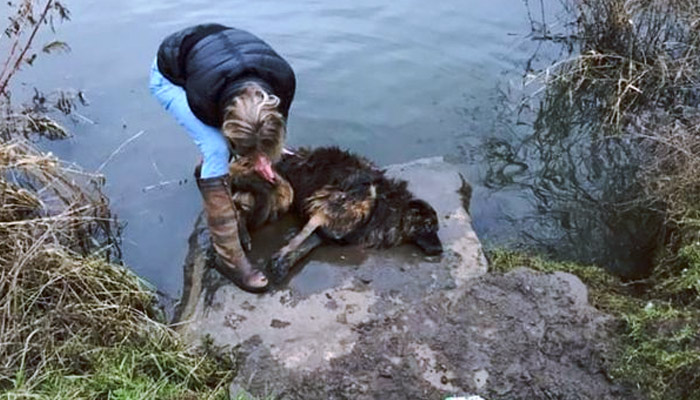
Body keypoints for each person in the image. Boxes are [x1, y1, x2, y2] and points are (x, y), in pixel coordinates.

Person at [149, 23, 296, 293]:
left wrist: (263, 155)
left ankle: (208, 171)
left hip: (217, 60)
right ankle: (227, 259)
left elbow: (273, 125)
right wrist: (235, 156)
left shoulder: (284, 80)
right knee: (216, 148)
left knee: (248, 145)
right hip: (170, 75)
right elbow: (220, 133)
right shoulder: (203, 99)